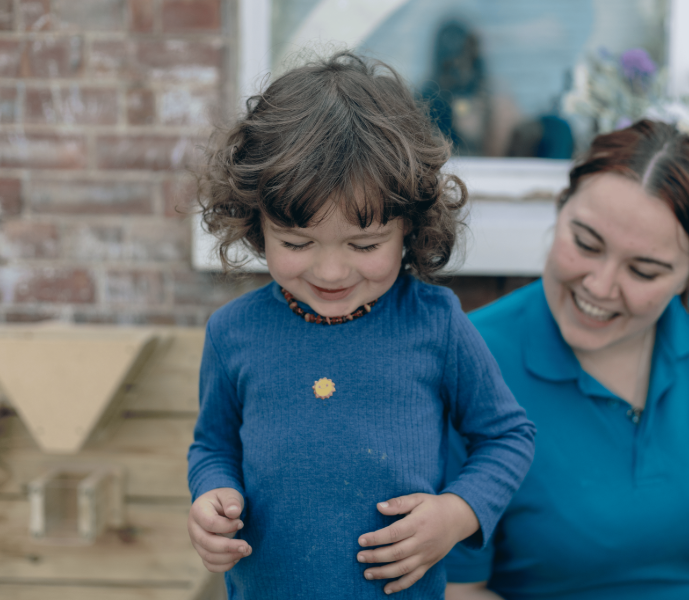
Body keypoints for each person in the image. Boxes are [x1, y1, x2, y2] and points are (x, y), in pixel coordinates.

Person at [186, 52, 536, 600]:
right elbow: (213, 446)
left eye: (365, 245)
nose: (330, 271)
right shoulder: (233, 333)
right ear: (255, 225)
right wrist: (211, 497)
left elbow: (508, 436)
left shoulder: (436, 325)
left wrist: (456, 514)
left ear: (409, 228)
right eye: (297, 243)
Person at [444, 119, 689, 600]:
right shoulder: (471, 360)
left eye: (644, 270)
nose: (600, 286)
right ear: (560, 209)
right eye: (585, 244)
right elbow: (453, 590)